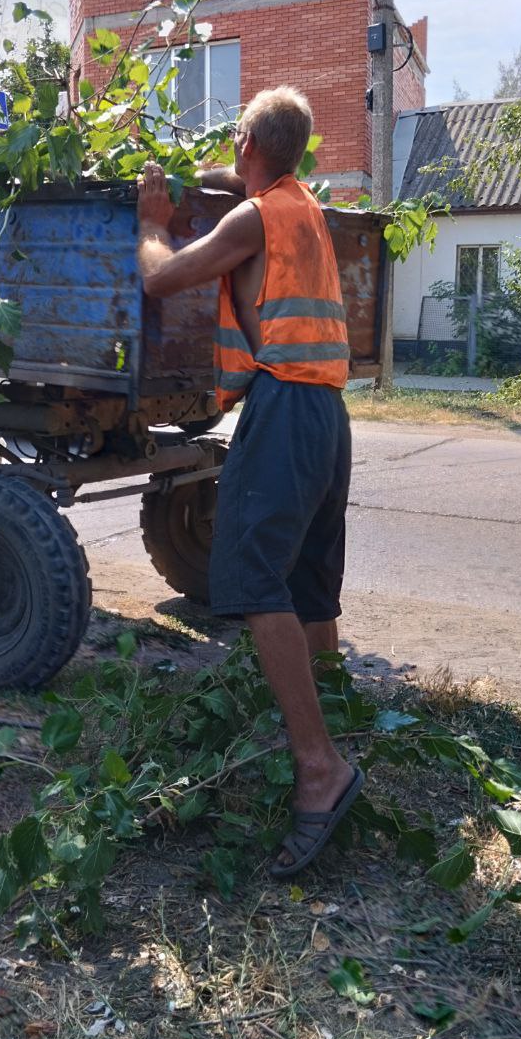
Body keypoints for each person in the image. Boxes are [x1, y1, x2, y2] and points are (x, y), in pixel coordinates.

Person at [136, 85, 363, 877]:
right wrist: (209, 171)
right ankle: (339, 722)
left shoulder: (251, 218)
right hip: (327, 414)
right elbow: (245, 181)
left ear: (244, 142)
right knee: (307, 580)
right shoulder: (302, 206)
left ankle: (318, 766)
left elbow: (163, 280)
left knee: (252, 578)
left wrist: (150, 226)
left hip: (283, 406)